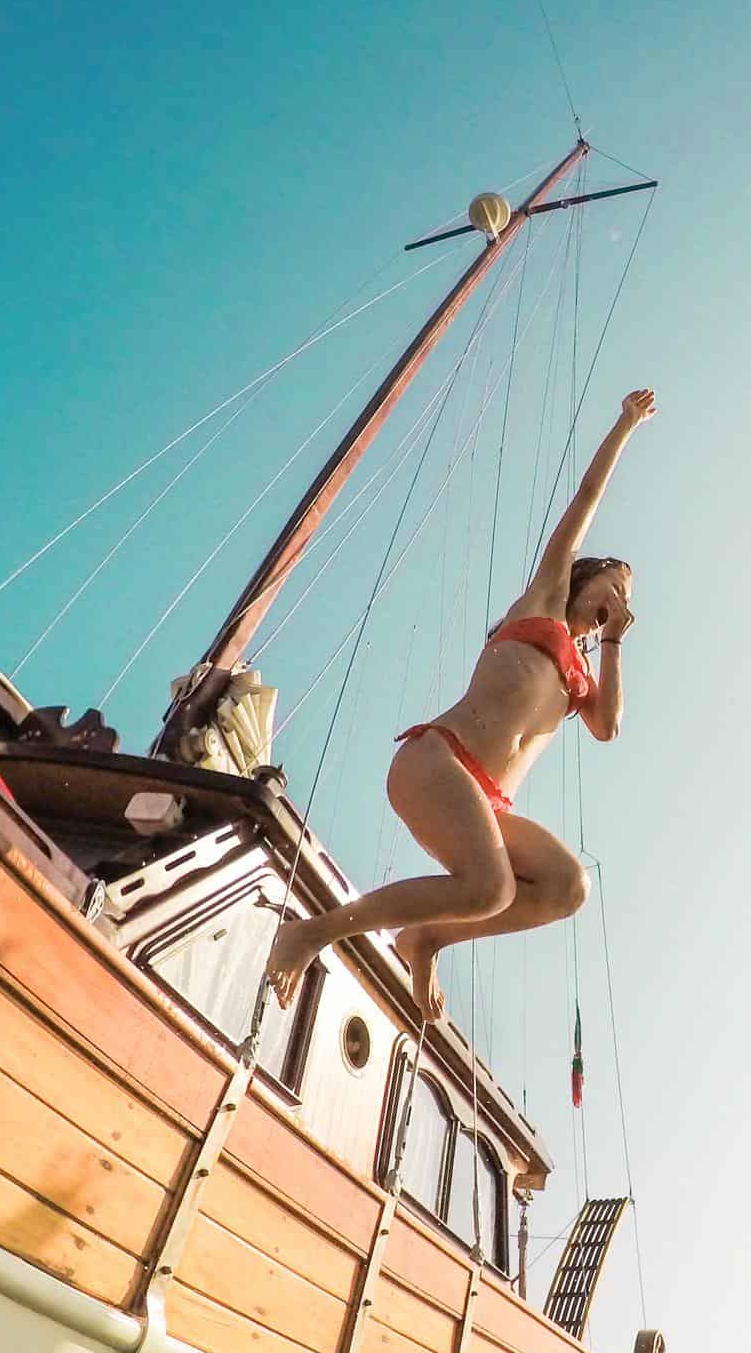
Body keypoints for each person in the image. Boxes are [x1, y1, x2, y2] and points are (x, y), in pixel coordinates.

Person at [267, 390, 657, 1012]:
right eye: (617, 582)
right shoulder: (544, 601)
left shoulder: (581, 678)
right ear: (589, 578)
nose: (623, 594)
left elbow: (609, 727)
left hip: (488, 800)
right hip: (437, 760)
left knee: (565, 887)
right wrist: (626, 424)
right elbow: (584, 501)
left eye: (629, 593)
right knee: (489, 886)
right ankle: (312, 933)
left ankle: (425, 938)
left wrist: (612, 640)